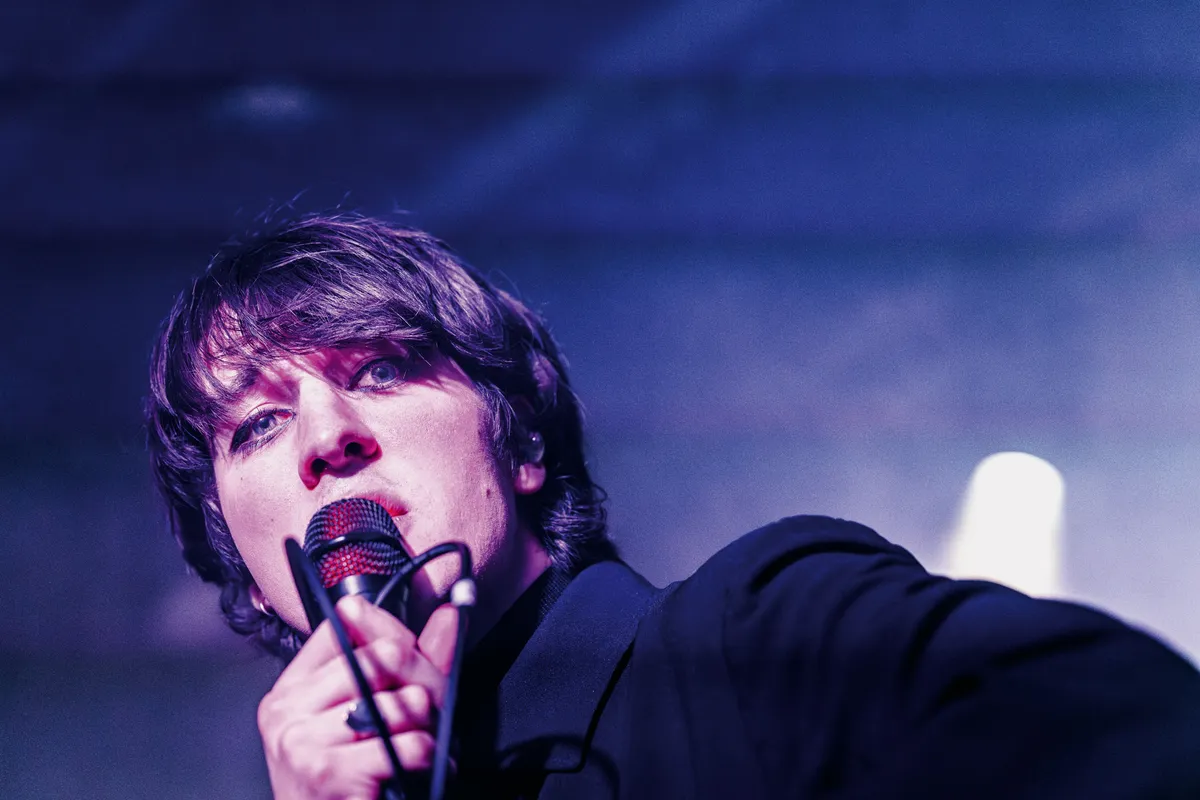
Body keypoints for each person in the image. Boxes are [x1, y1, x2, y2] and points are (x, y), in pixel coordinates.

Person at [147, 212, 1200, 799]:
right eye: (257, 425)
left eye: (380, 371)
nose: (326, 436)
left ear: (521, 444)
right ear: (246, 566)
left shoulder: (763, 631)